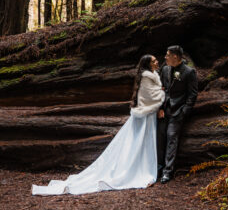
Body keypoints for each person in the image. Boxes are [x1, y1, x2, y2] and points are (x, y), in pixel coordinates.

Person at [32, 54, 164, 195]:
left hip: (148, 115)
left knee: (144, 143)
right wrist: (163, 94)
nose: (157, 62)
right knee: (139, 143)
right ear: (148, 65)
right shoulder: (146, 77)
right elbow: (150, 96)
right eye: (154, 61)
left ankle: (144, 168)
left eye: (156, 60)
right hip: (144, 116)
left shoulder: (153, 75)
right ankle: (139, 171)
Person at [157, 45, 198, 183]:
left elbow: (192, 95)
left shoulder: (189, 72)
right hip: (164, 110)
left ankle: (167, 171)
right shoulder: (165, 69)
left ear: (175, 56)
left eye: (168, 55)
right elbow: (161, 89)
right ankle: (158, 167)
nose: (165, 57)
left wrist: (184, 111)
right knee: (160, 137)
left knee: (171, 138)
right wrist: (159, 108)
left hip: (178, 111)